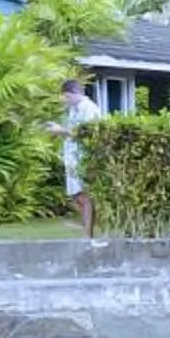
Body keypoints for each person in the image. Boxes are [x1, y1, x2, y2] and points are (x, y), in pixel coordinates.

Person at [51, 78, 106, 239]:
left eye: (67, 97)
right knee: (77, 196)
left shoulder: (89, 109)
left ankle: (88, 233)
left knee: (85, 195)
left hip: (86, 158)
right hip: (73, 158)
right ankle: (87, 226)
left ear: (75, 93)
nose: (65, 101)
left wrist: (62, 130)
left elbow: (86, 134)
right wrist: (58, 131)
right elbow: (70, 131)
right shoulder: (73, 110)